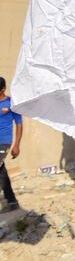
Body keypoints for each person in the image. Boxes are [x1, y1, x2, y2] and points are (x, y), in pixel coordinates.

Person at [0, 77, 22, 213]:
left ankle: (11, 200)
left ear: (3, 89)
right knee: (1, 171)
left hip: (4, 142)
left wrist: (17, 145)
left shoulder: (11, 103)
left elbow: (19, 124)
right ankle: (12, 200)